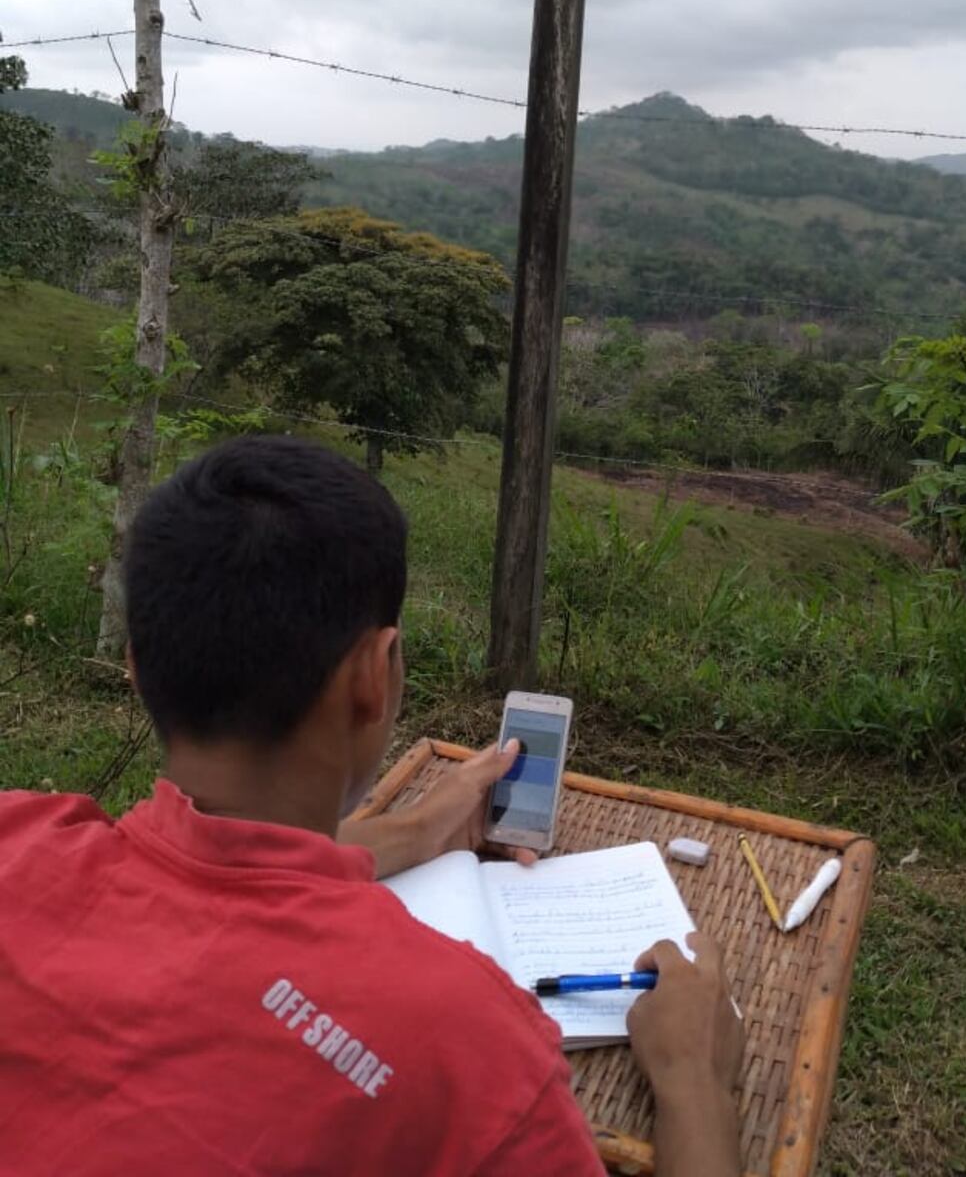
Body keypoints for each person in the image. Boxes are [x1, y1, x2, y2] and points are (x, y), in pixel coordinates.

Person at [0, 435, 742, 1176]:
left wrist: (421, 828)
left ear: (135, 663)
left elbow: (232, 858)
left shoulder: (19, 834)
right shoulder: (470, 1050)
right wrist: (694, 1081)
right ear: (373, 678)